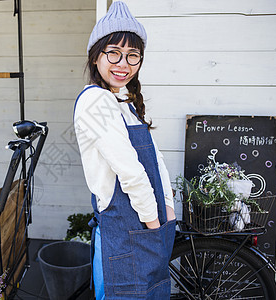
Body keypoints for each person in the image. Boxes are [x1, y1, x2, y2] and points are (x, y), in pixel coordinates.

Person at [73, 2, 176, 299]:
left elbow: (156, 160)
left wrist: (166, 207)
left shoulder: (123, 102)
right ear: (95, 57)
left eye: (133, 56)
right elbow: (131, 172)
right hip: (125, 233)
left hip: (145, 227)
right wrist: (154, 224)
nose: (124, 64)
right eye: (114, 53)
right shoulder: (96, 102)